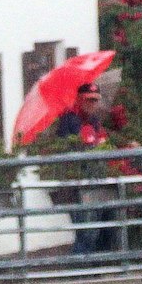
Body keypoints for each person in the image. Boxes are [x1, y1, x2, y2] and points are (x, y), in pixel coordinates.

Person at [52, 83, 118, 256]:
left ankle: (95, 265)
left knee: (104, 230)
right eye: (89, 100)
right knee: (87, 233)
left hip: (95, 182)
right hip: (77, 185)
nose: (92, 104)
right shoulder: (69, 120)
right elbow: (69, 149)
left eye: (95, 100)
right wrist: (93, 145)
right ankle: (80, 267)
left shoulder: (94, 121)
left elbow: (101, 143)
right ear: (79, 99)